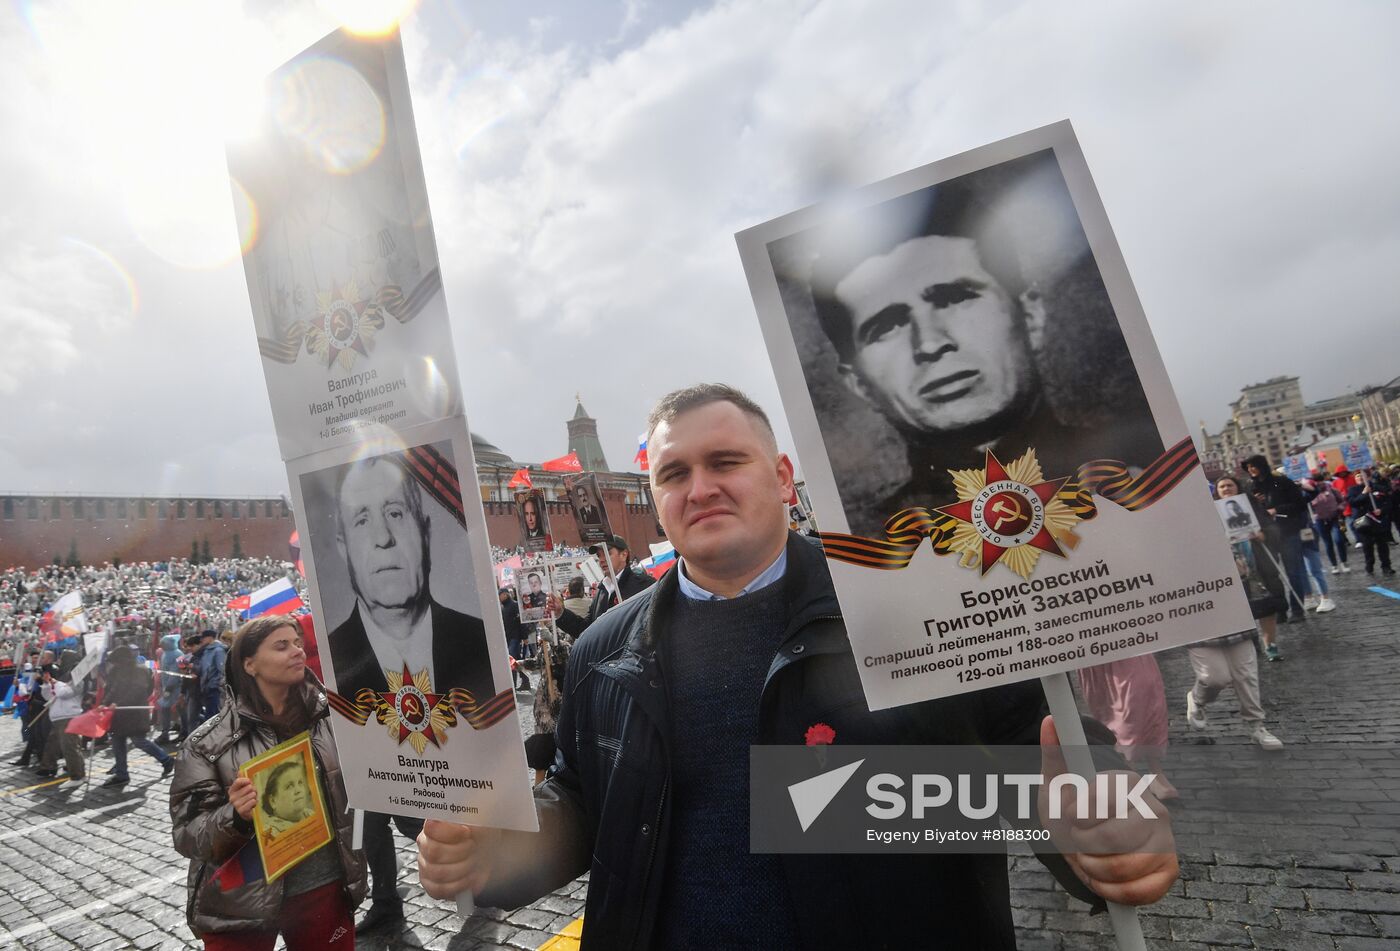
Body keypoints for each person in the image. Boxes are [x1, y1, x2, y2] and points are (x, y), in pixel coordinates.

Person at [418, 383, 1176, 949]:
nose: (701, 486)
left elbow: (1036, 757)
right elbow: (584, 802)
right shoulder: (601, 650)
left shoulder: (918, 609)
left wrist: (1097, 827)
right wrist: (500, 847)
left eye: (725, 461)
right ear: (654, 498)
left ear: (782, 477)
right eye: (675, 473)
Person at [807, 186, 1162, 537]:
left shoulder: (1157, 468)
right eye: (887, 326)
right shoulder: (876, 546)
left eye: (955, 298)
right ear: (859, 384)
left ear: (1032, 316)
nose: (930, 342)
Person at [170, 615, 366, 949]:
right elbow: (188, 835)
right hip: (240, 903)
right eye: (281, 646)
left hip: (323, 890)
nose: (297, 652)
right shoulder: (206, 744)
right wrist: (234, 817)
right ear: (249, 664)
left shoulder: (332, 719)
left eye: (297, 643)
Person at [326, 455, 494, 703]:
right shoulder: (330, 663)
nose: (383, 538)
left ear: (425, 533)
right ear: (344, 548)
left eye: (395, 513)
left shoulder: (483, 644)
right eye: (362, 520)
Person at [1185, 477, 1287, 750]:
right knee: (1214, 677)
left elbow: (1267, 540)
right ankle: (1197, 700)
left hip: (1235, 605)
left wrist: (1254, 542)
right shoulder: (1182, 531)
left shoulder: (1235, 514)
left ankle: (1256, 726)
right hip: (1200, 612)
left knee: (1246, 673)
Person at [1244, 455, 1309, 623]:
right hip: (1266, 535)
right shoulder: (1250, 487)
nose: (1251, 470)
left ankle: (1297, 609)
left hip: (1287, 532)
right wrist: (1255, 503)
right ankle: (1280, 609)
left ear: (1262, 466)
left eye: (1253, 466)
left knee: (1293, 572)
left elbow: (1300, 504)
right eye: (1248, 467)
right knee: (1271, 575)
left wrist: (1277, 509)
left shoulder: (1281, 482)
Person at [551, 535, 654, 638]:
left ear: (624, 555)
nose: (602, 560)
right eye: (599, 555)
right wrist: (561, 613)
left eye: (607, 554)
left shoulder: (645, 585)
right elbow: (587, 630)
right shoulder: (602, 591)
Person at [103, 643, 176, 787]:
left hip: (134, 712)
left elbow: (140, 690)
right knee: (117, 742)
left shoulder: (140, 670)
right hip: (118, 713)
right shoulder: (116, 671)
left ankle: (166, 760)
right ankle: (122, 774)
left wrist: (119, 702)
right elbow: (111, 689)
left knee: (139, 741)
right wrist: (106, 703)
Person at [37, 655, 85, 781]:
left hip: (69, 716)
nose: (60, 662)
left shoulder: (78, 681)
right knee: (57, 745)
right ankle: (49, 766)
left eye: (63, 660)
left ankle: (77, 776)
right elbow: (48, 696)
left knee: (70, 747)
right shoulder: (62, 680)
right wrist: (47, 684)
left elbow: (64, 694)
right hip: (58, 717)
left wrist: (54, 682)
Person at [1348, 469, 1395, 576]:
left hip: (1379, 521)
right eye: (1357, 477)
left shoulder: (1378, 488)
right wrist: (1364, 493)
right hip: (1364, 523)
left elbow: (1388, 503)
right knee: (1368, 546)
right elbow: (1353, 503)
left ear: (1367, 477)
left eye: (1362, 476)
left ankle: (1386, 566)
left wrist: (1381, 510)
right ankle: (1369, 566)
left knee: (1382, 545)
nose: (1360, 478)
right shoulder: (1353, 490)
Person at [261, 761, 313, 838]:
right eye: (289, 786)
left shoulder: (309, 813)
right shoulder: (270, 833)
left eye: (300, 782)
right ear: (273, 801)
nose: (298, 790)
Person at [498, 588, 531, 692]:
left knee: (512, 662)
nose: (499, 597)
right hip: (509, 638)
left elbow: (521, 622)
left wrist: (525, 637)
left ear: (505, 594)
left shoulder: (514, 605)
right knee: (514, 662)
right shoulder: (504, 607)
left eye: (500, 595)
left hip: (515, 638)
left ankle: (513, 684)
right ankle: (524, 681)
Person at [193, 629, 228, 725]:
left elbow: (222, 670)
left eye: (203, 638)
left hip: (214, 688)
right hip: (206, 688)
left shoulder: (218, 651)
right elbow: (203, 668)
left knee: (213, 717)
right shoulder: (206, 651)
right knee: (209, 716)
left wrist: (217, 685)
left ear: (210, 638)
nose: (202, 640)